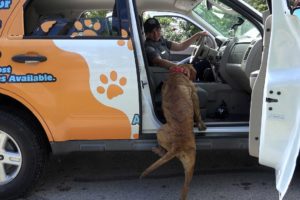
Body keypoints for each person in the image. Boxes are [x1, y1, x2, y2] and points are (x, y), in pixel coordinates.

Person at [143, 17, 212, 81]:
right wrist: (180, 67)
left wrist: (198, 35)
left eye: (157, 30)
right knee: (204, 64)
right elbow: (159, 61)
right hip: (167, 74)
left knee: (199, 60)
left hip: (172, 69)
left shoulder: (162, 41)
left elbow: (181, 46)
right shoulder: (149, 47)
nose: (155, 34)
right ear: (146, 34)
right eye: (151, 32)